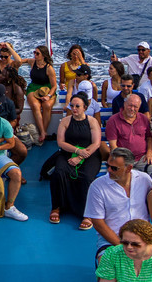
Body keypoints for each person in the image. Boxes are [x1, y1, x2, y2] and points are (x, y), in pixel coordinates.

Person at [89, 148, 152, 263]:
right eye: (108, 165)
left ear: (129, 168)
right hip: (111, 241)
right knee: (109, 273)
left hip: (144, 238)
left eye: (114, 168)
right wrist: (123, 246)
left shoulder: (144, 179)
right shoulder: (97, 186)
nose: (109, 170)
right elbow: (98, 223)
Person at [50, 92, 104, 227]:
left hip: (89, 154)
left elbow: (96, 143)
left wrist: (80, 157)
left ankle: (87, 213)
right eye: (72, 106)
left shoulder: (92, 122)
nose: (74, 109)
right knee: (59, 172)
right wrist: (76, 151)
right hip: (68, 153)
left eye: (77, 106)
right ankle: (57, 206)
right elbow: (61, 142)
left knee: (86, 177)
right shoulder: (65, 121)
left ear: (85, 107)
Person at [106, 94, 152, 181]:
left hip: (142, 158)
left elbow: (149, 138)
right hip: (124, 160)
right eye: (130, 105)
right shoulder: (113, 120)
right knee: (131, 178)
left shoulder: (144, 119)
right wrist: (122, 160)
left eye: (135, 106)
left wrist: (149, 152)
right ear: (124, 104)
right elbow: (113, 146)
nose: (132, 109)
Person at [26, 44, 59, 145]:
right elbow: (19, 60)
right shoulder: (32, 62)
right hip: (34, 87)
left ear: (43, 55)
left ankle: (42, 132)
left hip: (47, 89)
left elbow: (54, 86)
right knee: (36, 106)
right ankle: (43, 133)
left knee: (47, 105)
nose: (35, 55)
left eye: (37, 53)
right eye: (34, 53)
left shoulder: (49, 68)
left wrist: (48, 96)